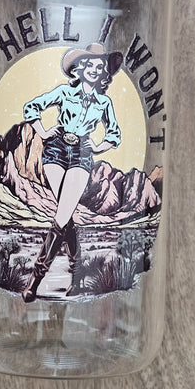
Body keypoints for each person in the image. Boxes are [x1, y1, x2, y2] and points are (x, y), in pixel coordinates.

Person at [21, 42, 122, 302]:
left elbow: (114, 134)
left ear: (103, 73)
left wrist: (97, 147)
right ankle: (76, 277)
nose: (95, 69)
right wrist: (43, 132)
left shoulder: (104, 102)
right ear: (80, 68)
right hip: (55, 150)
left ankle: (35, 281)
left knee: (63, 214)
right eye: (90, 65)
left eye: (100, 66)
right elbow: (32, 107)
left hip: (81, 154)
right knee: (65, 215)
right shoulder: (65, 92)